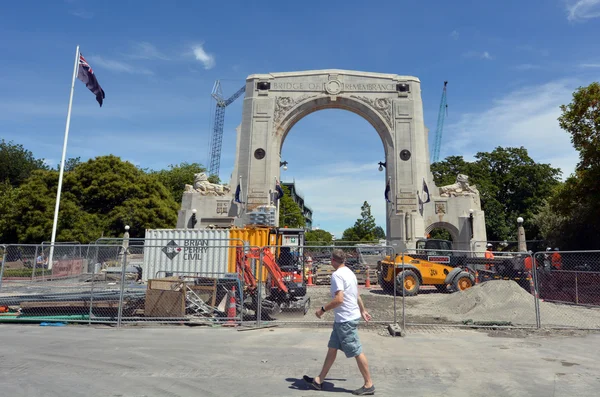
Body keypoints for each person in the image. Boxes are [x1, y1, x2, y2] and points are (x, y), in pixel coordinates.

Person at [303, 249, 374, 395]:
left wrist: (322, 309)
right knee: (332, 348)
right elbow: (356, 294)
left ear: (333, 261)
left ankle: (369, 384)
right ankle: (319, 380)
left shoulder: (337, 275)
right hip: (344, 318)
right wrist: (363, 310)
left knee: (356, 351)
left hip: (346, 320)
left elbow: (339, 299)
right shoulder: (349, 272)